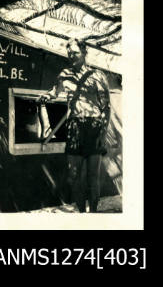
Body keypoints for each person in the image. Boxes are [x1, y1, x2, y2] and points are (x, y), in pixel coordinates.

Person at [39, 38, 111, 213]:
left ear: (84, 52)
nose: (71, 56)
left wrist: (102, 135)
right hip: (74, 127)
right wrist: (47, 96)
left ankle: (92, 214)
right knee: (74, 176)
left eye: (75, 53)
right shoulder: (64, 74)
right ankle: (81, 213)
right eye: (69, 53)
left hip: (94, 127)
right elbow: (55, 92)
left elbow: (106, 108)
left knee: (92, 178)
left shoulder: (98, 76)